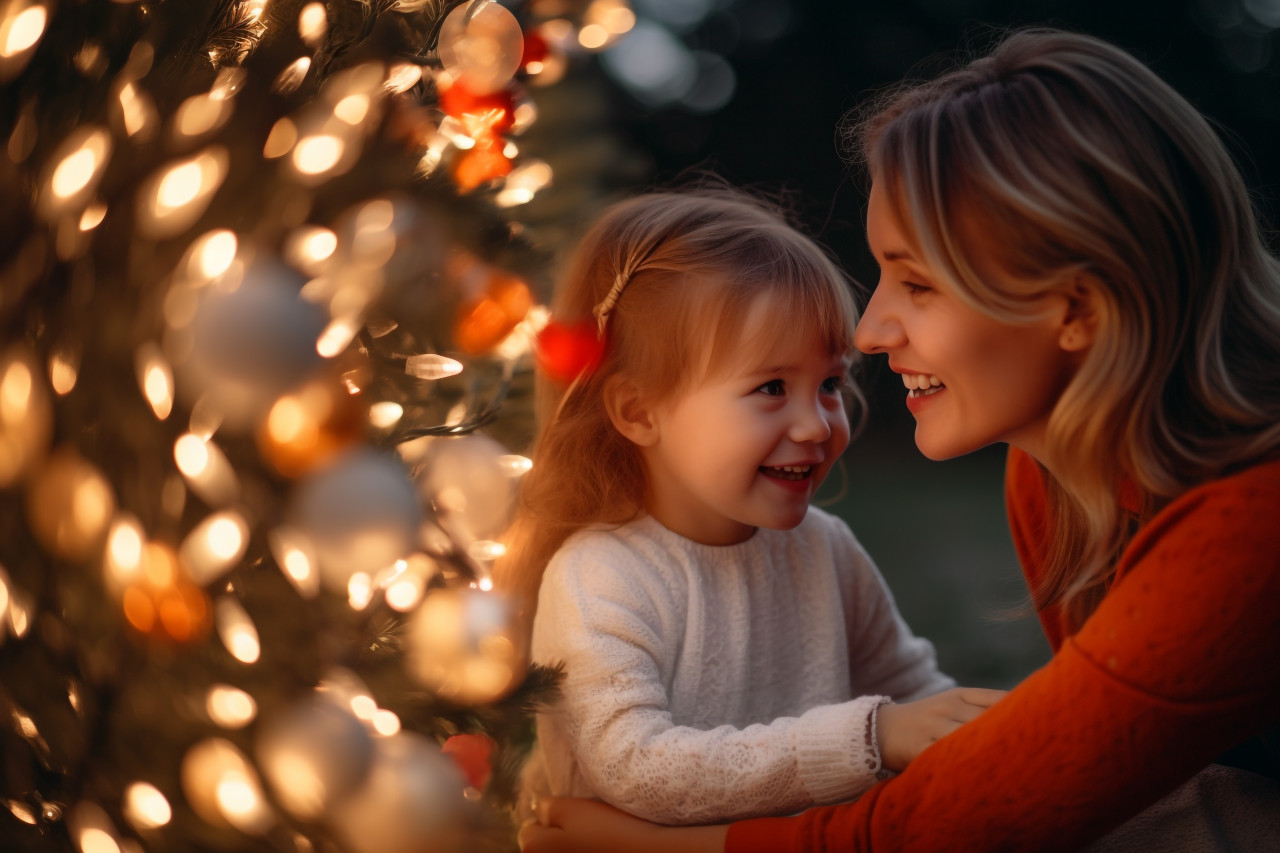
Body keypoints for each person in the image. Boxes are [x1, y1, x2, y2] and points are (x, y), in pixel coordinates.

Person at [517, 27, 1280, 853]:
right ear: (636, 412)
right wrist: (933, 744)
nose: (871, 330)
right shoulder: (1049, 478)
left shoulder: (1249, 529)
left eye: (917, 282)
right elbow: (1011, 783)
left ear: (1078, 307)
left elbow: (968, 804)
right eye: (769, 387)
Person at [498, 186, 1005, 826]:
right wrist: (872, 737)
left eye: (829, 383)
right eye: (771, 387)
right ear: (639, 412)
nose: (817, 424)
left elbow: (912, 693)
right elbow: (636, 769)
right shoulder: (600, 577)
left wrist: (988, 741)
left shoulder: (825, 548)